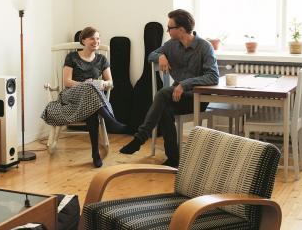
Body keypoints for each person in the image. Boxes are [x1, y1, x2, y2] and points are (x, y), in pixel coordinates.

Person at [119, 9, 219, 167]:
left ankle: (140, 137)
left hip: (196, 98)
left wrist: (184, 84)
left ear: (181, 30)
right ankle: (173, 158)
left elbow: (213, 76)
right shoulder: (171, 45)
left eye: (170, 28)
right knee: (165, 109)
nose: (167, 31)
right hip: (175, 96)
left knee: (163, 93)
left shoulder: (205, 47)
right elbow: (151, 55)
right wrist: (161, 56)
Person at [42, 27, 128, 168]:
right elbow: (67, 82)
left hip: (92, 99)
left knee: (91, 108)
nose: (96, 41)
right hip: (71, 95)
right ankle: (111, 121)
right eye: (92, 38)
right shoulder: (72, 57)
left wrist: (103, 83)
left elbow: (110, 82)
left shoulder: (102, 59)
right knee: (89, 87)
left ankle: (95, 153)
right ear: (83, 40)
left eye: (98, 38)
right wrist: (86, 85)